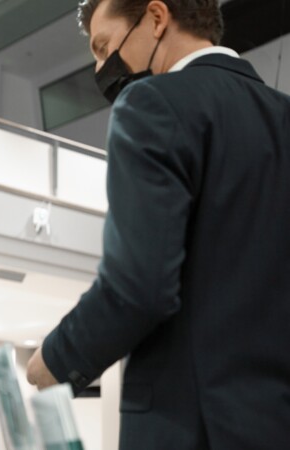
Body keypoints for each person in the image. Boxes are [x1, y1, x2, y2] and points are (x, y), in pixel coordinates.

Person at [26, 1, 290, 449]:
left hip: (191, 425)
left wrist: (55, 360)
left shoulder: (152, 103)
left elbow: (140, 287)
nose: (101, 66)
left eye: (105, 45)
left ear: (155, 17)